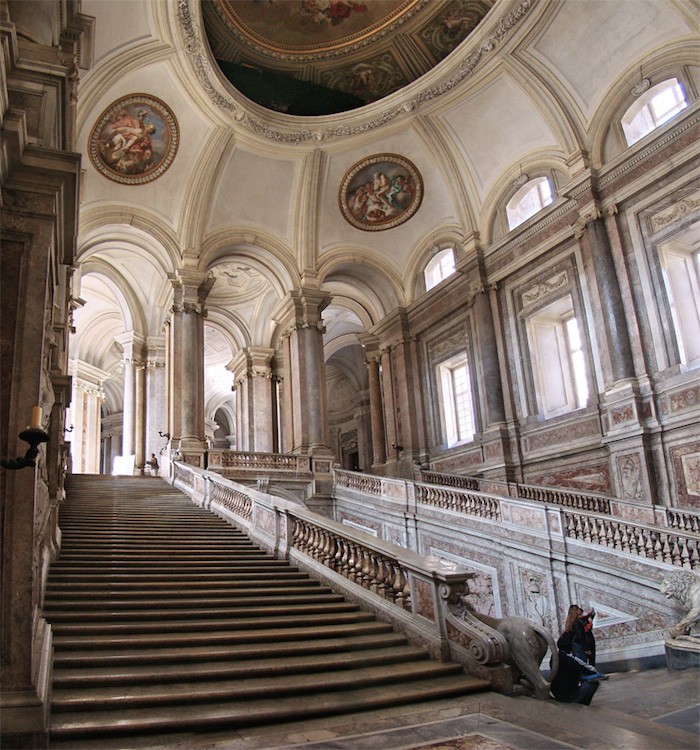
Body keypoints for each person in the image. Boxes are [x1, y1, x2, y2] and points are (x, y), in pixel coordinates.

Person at [550, 631, 606, 705]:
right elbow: (590, 670)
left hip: (556, 692)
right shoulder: (571, 659)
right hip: (569, 695)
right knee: (594, 683)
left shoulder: (554, 657)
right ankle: (582, 704)